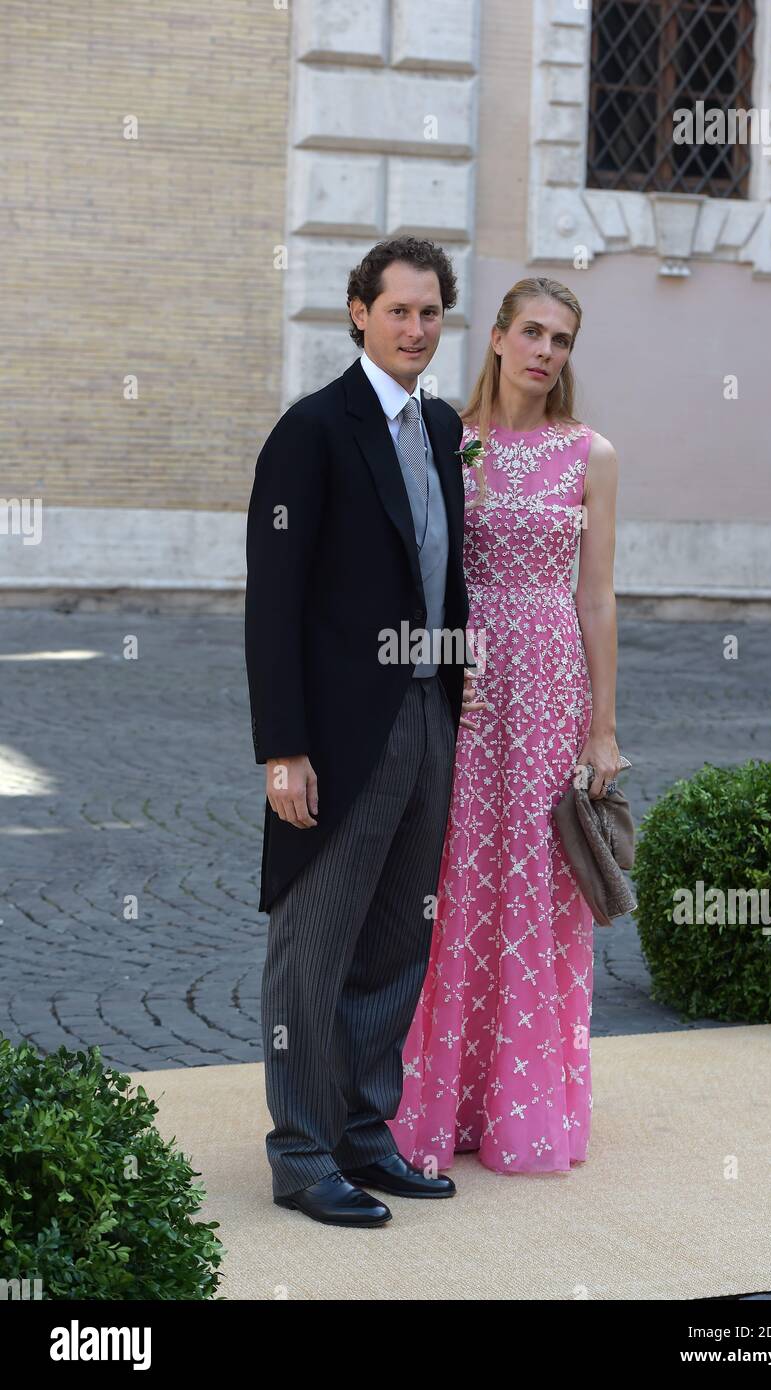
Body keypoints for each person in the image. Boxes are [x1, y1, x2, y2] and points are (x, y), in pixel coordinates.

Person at [244, 237, 482, 1227]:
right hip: (343, 731)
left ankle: (362, 1130)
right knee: (317, 943)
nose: (416, 330)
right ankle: (301, 1150)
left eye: (431, 314)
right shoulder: (311, 431)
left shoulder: (436, 429)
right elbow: (274, 602)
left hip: (428, 710)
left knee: (395, 940)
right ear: (356, 313)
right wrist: (282, 746)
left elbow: (442, 567)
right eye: (398, 311)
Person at [388, 277, 621, 1173]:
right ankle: (430, 1104)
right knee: (445, 882)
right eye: (530, 332)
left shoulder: (590, 454)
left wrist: (601, 729)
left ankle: (523, 1102)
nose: (544, 352)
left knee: (536, 886)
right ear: (494, 337)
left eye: (560, 340)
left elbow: (595, 598)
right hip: (461, 680)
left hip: (550, 684)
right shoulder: (447, 437)